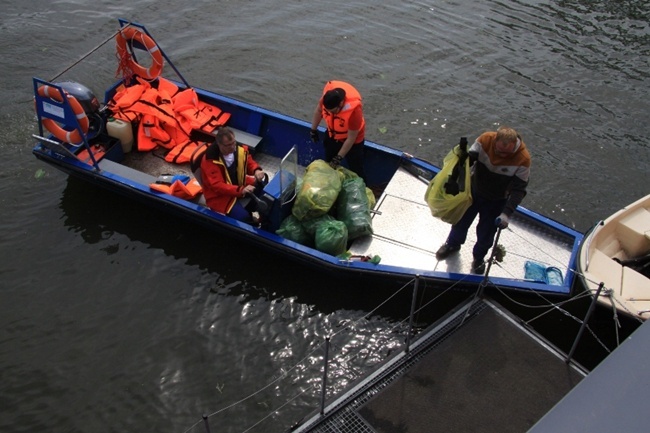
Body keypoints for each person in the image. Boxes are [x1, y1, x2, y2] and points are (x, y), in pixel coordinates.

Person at [435, 126, 531, 274]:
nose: (502, 156)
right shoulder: (485, 140)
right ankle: (452, 244)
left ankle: (479, 258)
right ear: (495, 141)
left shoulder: (523, 159)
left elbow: (519, 190)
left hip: (497, 200)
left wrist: (506, 213)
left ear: (514, 146)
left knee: (486, 233)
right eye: (499, 151)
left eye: (507, 153)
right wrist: (456, 176)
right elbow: (468, 160)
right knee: (460, 221)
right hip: (474, 191)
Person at [200, 127, 268, 223]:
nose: (232, 147)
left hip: (238, 184)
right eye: (228, 145)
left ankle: (256, 212)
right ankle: (250, 219)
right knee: (243, 218)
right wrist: (241, 190)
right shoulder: (210, 160)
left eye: (233, 143)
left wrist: (256, 170)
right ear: (219, 144)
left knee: (263, 188)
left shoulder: (238, 150)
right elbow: (217, 186)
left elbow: (248, 162)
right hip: (220, 197)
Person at [310, 80, 366, 180]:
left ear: (341, 103)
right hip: (333, 134)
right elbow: (319, 111)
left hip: (352, 141)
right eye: (328, 111)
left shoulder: (354, 111)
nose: (332, 114)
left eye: (333, 111)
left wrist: (338, 158)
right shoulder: (326, 99)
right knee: (328, 163)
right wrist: (313, 130)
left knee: (356, 168)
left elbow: (351, 138)